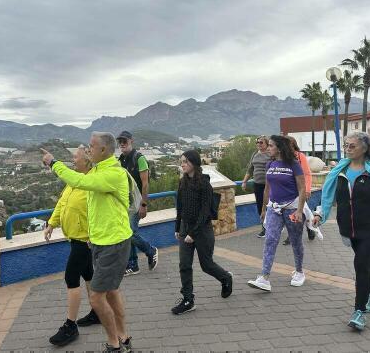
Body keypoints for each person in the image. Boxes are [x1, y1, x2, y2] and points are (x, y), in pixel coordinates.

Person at [42, 132, 133, 353]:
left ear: (103, 150)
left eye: (92, 146)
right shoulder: (99, 169)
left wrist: (53, 163)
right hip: (100, 243)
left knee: (96, 298)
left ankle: (114, 344)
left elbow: (79, 180)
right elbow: (74, 197)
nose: (89, 149)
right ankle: (124, 337)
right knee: (111, 292)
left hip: (114, 243)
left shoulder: (113, 173)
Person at [314, 131, 370, 331]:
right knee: (366, 262)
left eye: (352, 145)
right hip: (349, 229)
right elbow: (328, 197)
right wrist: (320, 214)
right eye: (346, 145)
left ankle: (359, 311)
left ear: (365, 148)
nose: (348, 149)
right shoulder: (339, 172)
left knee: (360, 263)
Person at [44, 146, 100, 346]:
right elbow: (62, 203)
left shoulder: (93, 182)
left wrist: (93, 235)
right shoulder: (74, 179)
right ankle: (98, 312)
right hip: (74, 237)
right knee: (88, 275)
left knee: (71, 277)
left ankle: (70, 326)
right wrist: (52, 223)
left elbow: (101, 212)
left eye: (75, 157)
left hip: (84, 239)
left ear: (87, 159)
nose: (73, 160)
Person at [171, 150, 233, 315]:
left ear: (194, 163)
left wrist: (193, 233)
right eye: (181, 161)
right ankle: (188, 299)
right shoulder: (182, 182)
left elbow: (205, 212)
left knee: (206, 265)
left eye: (185, 161)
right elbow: (180, 207)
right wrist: (178, 228)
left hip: (202, 230)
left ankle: (226, 278)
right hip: (185, 228)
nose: (182, 164)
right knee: (184, 265)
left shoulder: (204, 184)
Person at [247, 135, 307, 292]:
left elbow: (302, 188)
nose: (268, 148)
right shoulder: (270, 164)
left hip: (292, 208)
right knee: (270, 239)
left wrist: (300, 210)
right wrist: (263, 209)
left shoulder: (294, 164)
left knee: (295, 241)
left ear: (279, 148)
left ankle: (299, 272)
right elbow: (267, 188)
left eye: (271, 146)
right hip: (274, 208)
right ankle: (264, 278)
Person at [116, 131, 158, 276]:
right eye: (120, 141)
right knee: (128, 233)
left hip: (138, 203)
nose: (122, 143)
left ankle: (150, 250)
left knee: (130, 233)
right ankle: (133, 265)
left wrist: (144, 204)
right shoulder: (120, 160)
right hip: (126, 204)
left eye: (124, 140)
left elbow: (145, 184)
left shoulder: (139, 158)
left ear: (131, 141)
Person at [283, 136, 313, 244]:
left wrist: (308, 190)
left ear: (293, 145)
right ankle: (291, 235)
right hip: (289, 191)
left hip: (301, 190)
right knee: (290, 213)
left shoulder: (300, 156)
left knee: (303, 211)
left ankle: (309, 228)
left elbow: (307, 174)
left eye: (288, 144)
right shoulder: (283, 158)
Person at [241, 136, 271, 238]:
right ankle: (264, 227)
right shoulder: (255, 154)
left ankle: (272, 226)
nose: (258, 144)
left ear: (266, 144)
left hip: (269, 184)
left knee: (269, 205)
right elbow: (250, 169)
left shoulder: (271, 155)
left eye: (261, 142)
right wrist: (244, 182)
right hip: (257, 184)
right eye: (257, 142)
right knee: (259, 205)